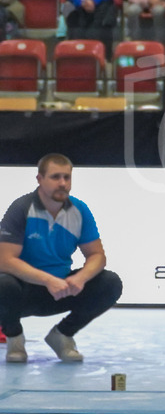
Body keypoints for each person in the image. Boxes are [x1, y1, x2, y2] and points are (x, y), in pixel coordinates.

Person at [0, 153, 122, 365]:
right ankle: (15, 339)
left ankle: (62, 335)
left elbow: (97, 255)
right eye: (56, 177)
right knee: (3, 283)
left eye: (67, 177)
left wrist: (81, 278)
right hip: (24, 293)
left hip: (61, 290)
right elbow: (4, 260)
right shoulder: (21, 208)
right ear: (40, 179)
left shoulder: (79, 210)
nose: (63, 183)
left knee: (110, 282)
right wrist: (47, 280)